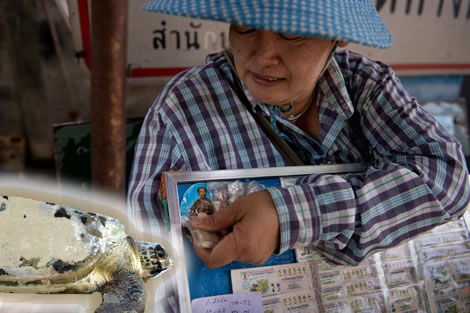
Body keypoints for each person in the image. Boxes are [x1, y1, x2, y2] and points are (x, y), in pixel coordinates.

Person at [127, 0, 470, 309]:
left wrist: (288, 215)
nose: (263, 56)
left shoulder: (366, 85)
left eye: (292, 33)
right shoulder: (183, 107)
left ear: (339, 36)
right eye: (245, 26)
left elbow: (446, 175)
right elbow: (147, 272)